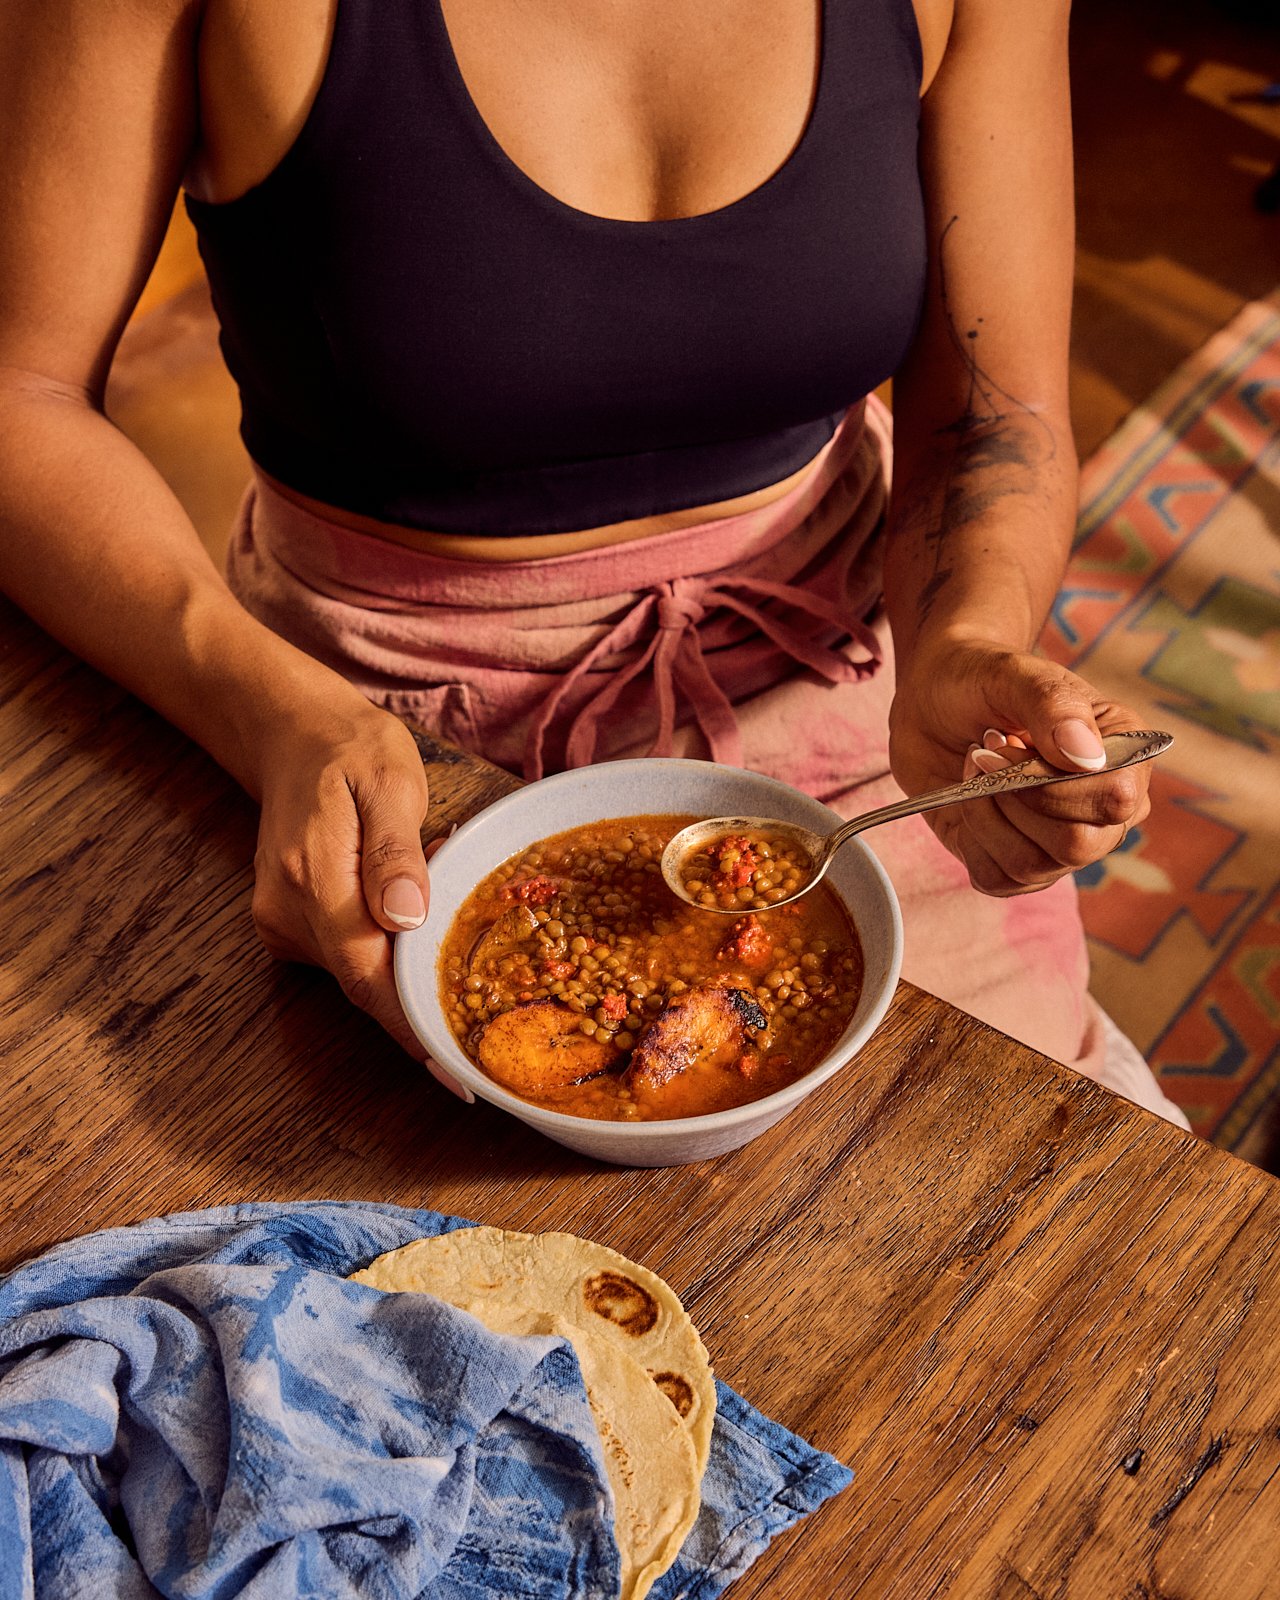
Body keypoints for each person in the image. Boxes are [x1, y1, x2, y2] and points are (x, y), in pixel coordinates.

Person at [0, 0, 1188, 1125]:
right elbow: (23, 391)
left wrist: (962, 636)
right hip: (359, 736)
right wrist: (265, 712)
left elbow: (991, 413)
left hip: (862, 700)